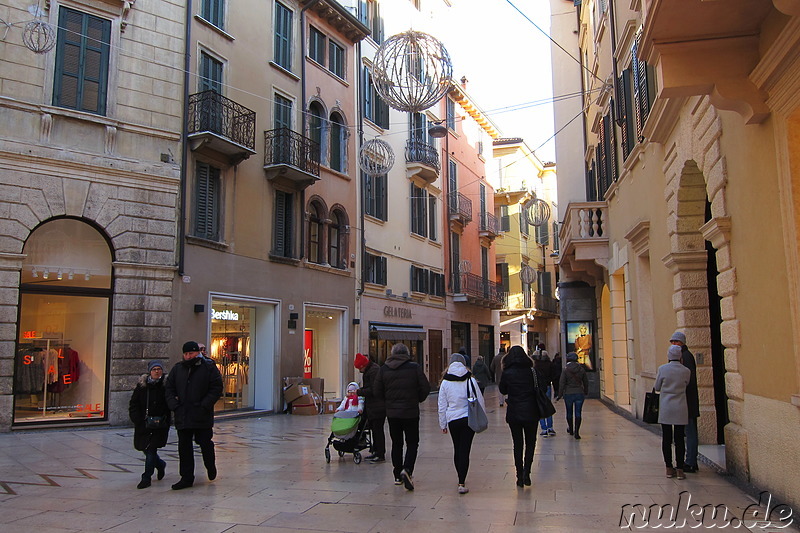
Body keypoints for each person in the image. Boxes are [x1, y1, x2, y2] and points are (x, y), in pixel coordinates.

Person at [165, 340, 223, 490]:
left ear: (197, 353)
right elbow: (169, 389)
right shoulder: (177, 369)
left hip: (201, 414)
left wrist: (204, 405)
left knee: (205, 443)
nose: (188, 356)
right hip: (183, 414)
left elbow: (216, 388)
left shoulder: (209, 367)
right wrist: (174, 406)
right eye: (185, 354)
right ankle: (186, 477)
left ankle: (210, 466)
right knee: (184, 447)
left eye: (191, 353)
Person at [374, 343, 431, 491]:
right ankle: (407, 469)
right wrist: (417, 399)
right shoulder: (414, 368)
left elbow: (377, 390)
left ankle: (397, 475)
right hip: (410, 412)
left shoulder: (384, 369)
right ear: (406, 353)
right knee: (412, 442)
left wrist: (387, 402)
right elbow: (425, 387)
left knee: (396, 443)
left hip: (393, 413)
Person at [438, 353, 485, 495]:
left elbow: (442, 404)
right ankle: (461, 481)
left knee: (457, 448)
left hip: (453, 419)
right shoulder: (470, 380)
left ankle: (459, 476)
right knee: (465, 449)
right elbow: (480, 400)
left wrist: (443, 424)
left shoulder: (445, 382)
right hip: (468, 418)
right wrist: (482, 419)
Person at [498, 345, 540, 487]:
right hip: (531, 411)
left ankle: (519, 475)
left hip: (514, 412)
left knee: (517, 444)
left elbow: (502, 389)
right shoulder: (532, 371)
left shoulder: (507, 372)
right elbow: (543, 386)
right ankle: (527, 472)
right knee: (531, 443)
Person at [128, 360, 171, 489]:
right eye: (154, 369)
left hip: (159, 424)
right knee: (144, 448)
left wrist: (166, 418)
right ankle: (160, 464)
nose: (157, 371)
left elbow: (171, 402)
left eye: (159, 369)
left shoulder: (166, 386)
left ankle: (146, 477)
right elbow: (133, 403)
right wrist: (137, 419)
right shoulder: (142, 386)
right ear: (150, 371)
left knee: (151, 449)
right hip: (144, 423)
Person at [655, 344, 691, 480]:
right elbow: (687, 384)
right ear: (680, 356)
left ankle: (669, 468)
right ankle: (680, 469)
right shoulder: (686, 371)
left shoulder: (663, 369)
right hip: (680, 407)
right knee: (680, 439)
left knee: (667, 438)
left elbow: (657, 387)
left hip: (666, 407)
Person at [671, 331, 700, 473]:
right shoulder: (683, 356)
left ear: (682, 343)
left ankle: (690, 461)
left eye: (676, 342)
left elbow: (688, 380)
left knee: (690, 432)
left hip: (687, 400)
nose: (674, 344)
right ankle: (691, 460)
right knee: (689, 431)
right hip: (686, 400)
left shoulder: (685, 357)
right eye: (672, 342)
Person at [355, 353, 387, 463]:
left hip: (377, 406)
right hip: (374, 406)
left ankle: (380, 453)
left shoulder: (373, 371)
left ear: (363, 365)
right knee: (375, 430)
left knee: (377, 430)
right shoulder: (371, 370)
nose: (359, 371)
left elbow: (373, 389)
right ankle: (376, 451)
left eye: (360, 368)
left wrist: (359, 392)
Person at [557, 352, 588, 439]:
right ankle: (577, 432)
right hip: (579, 392)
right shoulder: (581, 369)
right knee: (578, 412)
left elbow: (562, 383)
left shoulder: (565, 370)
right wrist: (585, 391)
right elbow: (585, 382)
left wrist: (559, 395)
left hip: (568, 393)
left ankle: (570, 429)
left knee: (569, 412)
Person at [533, 344, 555, 437]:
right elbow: (553, 375)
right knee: (548, 405)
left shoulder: (535, 365)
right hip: (547, 386)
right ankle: (550, 427)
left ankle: (544, 428)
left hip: (538, 387)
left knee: (540, 407)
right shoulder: (549, 364)